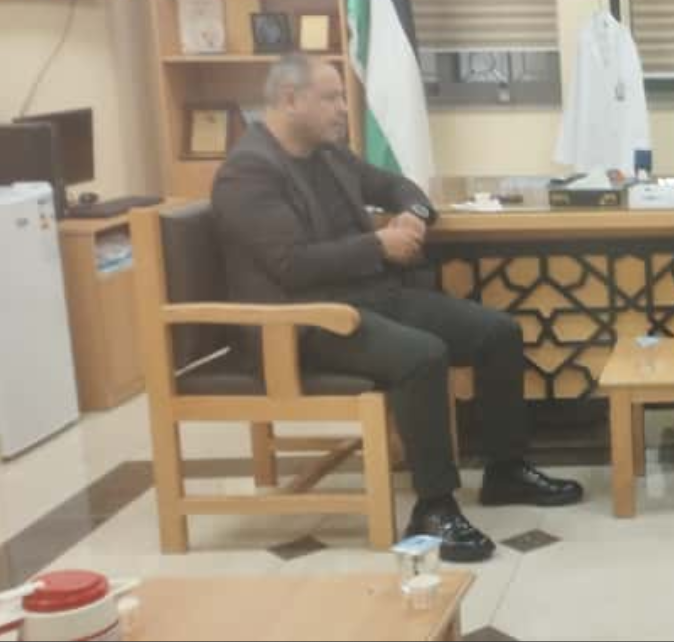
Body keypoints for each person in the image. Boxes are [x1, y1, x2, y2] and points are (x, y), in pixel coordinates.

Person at [211, 54, 584, 563]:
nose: (343, 108)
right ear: (290, 100)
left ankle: (506, 471)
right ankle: (434, 505)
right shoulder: (249, 172)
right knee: (421, 355)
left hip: (369, 297)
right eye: (330, 98)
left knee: (498, 332)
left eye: (341, 97)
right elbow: (292, 265)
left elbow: (396, 186)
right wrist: (378, 245)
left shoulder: (328, 154)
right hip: (302, 320)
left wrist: (412, 215)